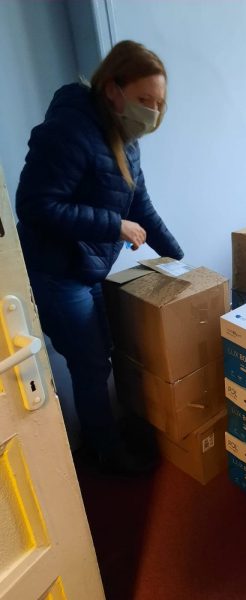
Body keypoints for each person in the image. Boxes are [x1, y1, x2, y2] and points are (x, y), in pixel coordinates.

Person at [15, 40, 183, 474]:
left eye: (159, 103)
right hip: (57, 271)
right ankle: (105, 452)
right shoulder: (70, 130)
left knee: (102, 353)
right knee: (90, 364)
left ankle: (105, 433)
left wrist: (180, 259)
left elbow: (140, 205)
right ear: (113, 89)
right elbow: (34, 205)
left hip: (89, 265)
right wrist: (113, 225)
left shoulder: (126, 139)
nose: (153, 112)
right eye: (145, 99)